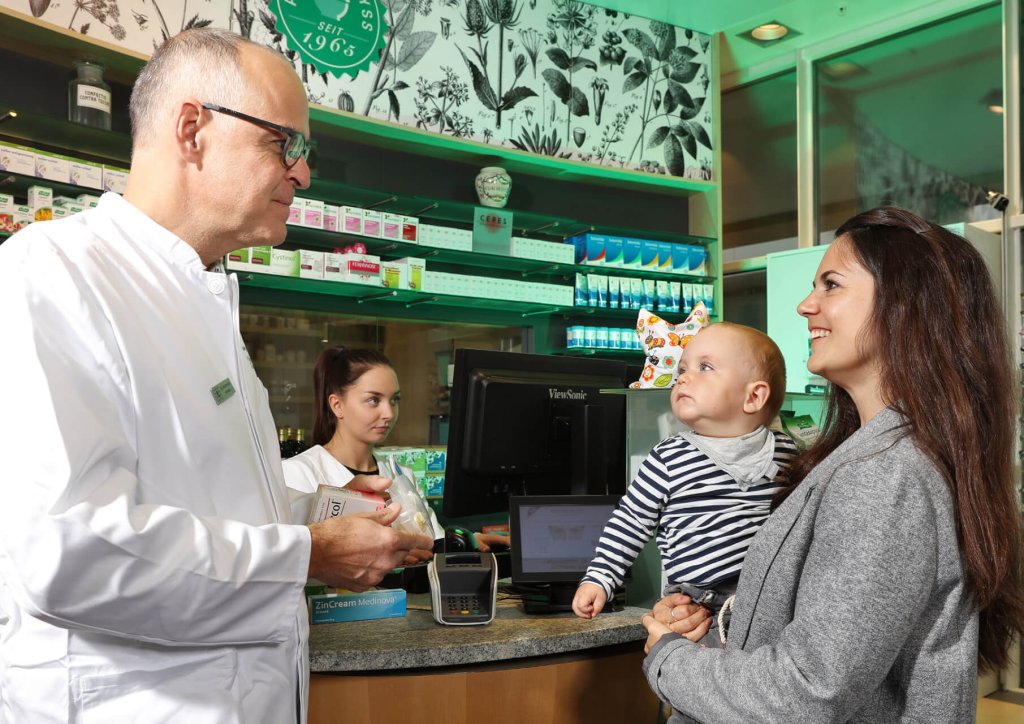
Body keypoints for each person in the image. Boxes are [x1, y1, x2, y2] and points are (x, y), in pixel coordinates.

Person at [0, 28, 432, 723]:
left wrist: (325, 509)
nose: (303, 174)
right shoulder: (51, 275)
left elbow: (204, 509)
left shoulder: (200, 298)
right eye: (281, 143)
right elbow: (71, 551)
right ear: (192, 128)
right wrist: (305, 556)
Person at [641, 206, 1024, 723]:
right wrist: (710, 627)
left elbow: (808, 691)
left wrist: (669, 660)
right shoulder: (877, 454)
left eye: (831, 285)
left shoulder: (886, 473)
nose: (805, 306)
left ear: (902, 304)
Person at [573, 322, 798, 645]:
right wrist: (600, 579)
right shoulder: (669, 457)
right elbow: (630, 521)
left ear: (754, 396)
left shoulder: (786, 452)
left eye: (705, 367)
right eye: (681, 369)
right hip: (699, 608)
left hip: (771, 604)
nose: (683, 377)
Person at [284, 346, 508, 552]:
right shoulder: (298, 473)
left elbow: (430, 542)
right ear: (337, 405)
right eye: (373, 400)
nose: (389, 413)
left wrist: (464, 543)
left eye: (395, 400)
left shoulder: (402, 475)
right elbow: (298, 558)